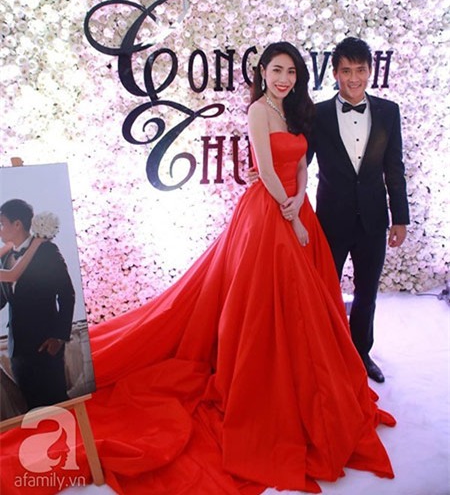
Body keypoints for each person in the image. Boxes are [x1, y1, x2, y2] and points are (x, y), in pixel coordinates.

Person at [0, 44, 395, 494]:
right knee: (263, 301)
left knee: (304, 303)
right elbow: (265, 169)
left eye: (290, 71)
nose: (284, 78)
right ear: (263, 72)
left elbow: (303, 163)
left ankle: (306, 378)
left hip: (296, 208)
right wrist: (290, 214)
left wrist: (299, 200)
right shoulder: (259, 111)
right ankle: (266, 378)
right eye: (276, 70)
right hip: (270, 216)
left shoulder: (296, 111)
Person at [308, 37, 409, 383]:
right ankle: (326, 354)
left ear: (370, 71)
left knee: (367, 292)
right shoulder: (317, 114)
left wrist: (400, 218)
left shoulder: (388, 111)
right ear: (335, 73)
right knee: (325, 292)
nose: (354, 78)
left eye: (360, 70)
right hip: (330, 219)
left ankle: (361, 353)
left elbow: (394, 168)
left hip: (373, 219)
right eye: (346, 71)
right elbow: (300, 161)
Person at [0, 199, 75, 410]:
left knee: (57, 402)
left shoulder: (47, 251)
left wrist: (59, 337)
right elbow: (5, 295)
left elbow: (66, 294)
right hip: (18, 349)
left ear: (17, 224)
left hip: (45, 345)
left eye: (1, 224)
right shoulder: (6, 258)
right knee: (33, 407)